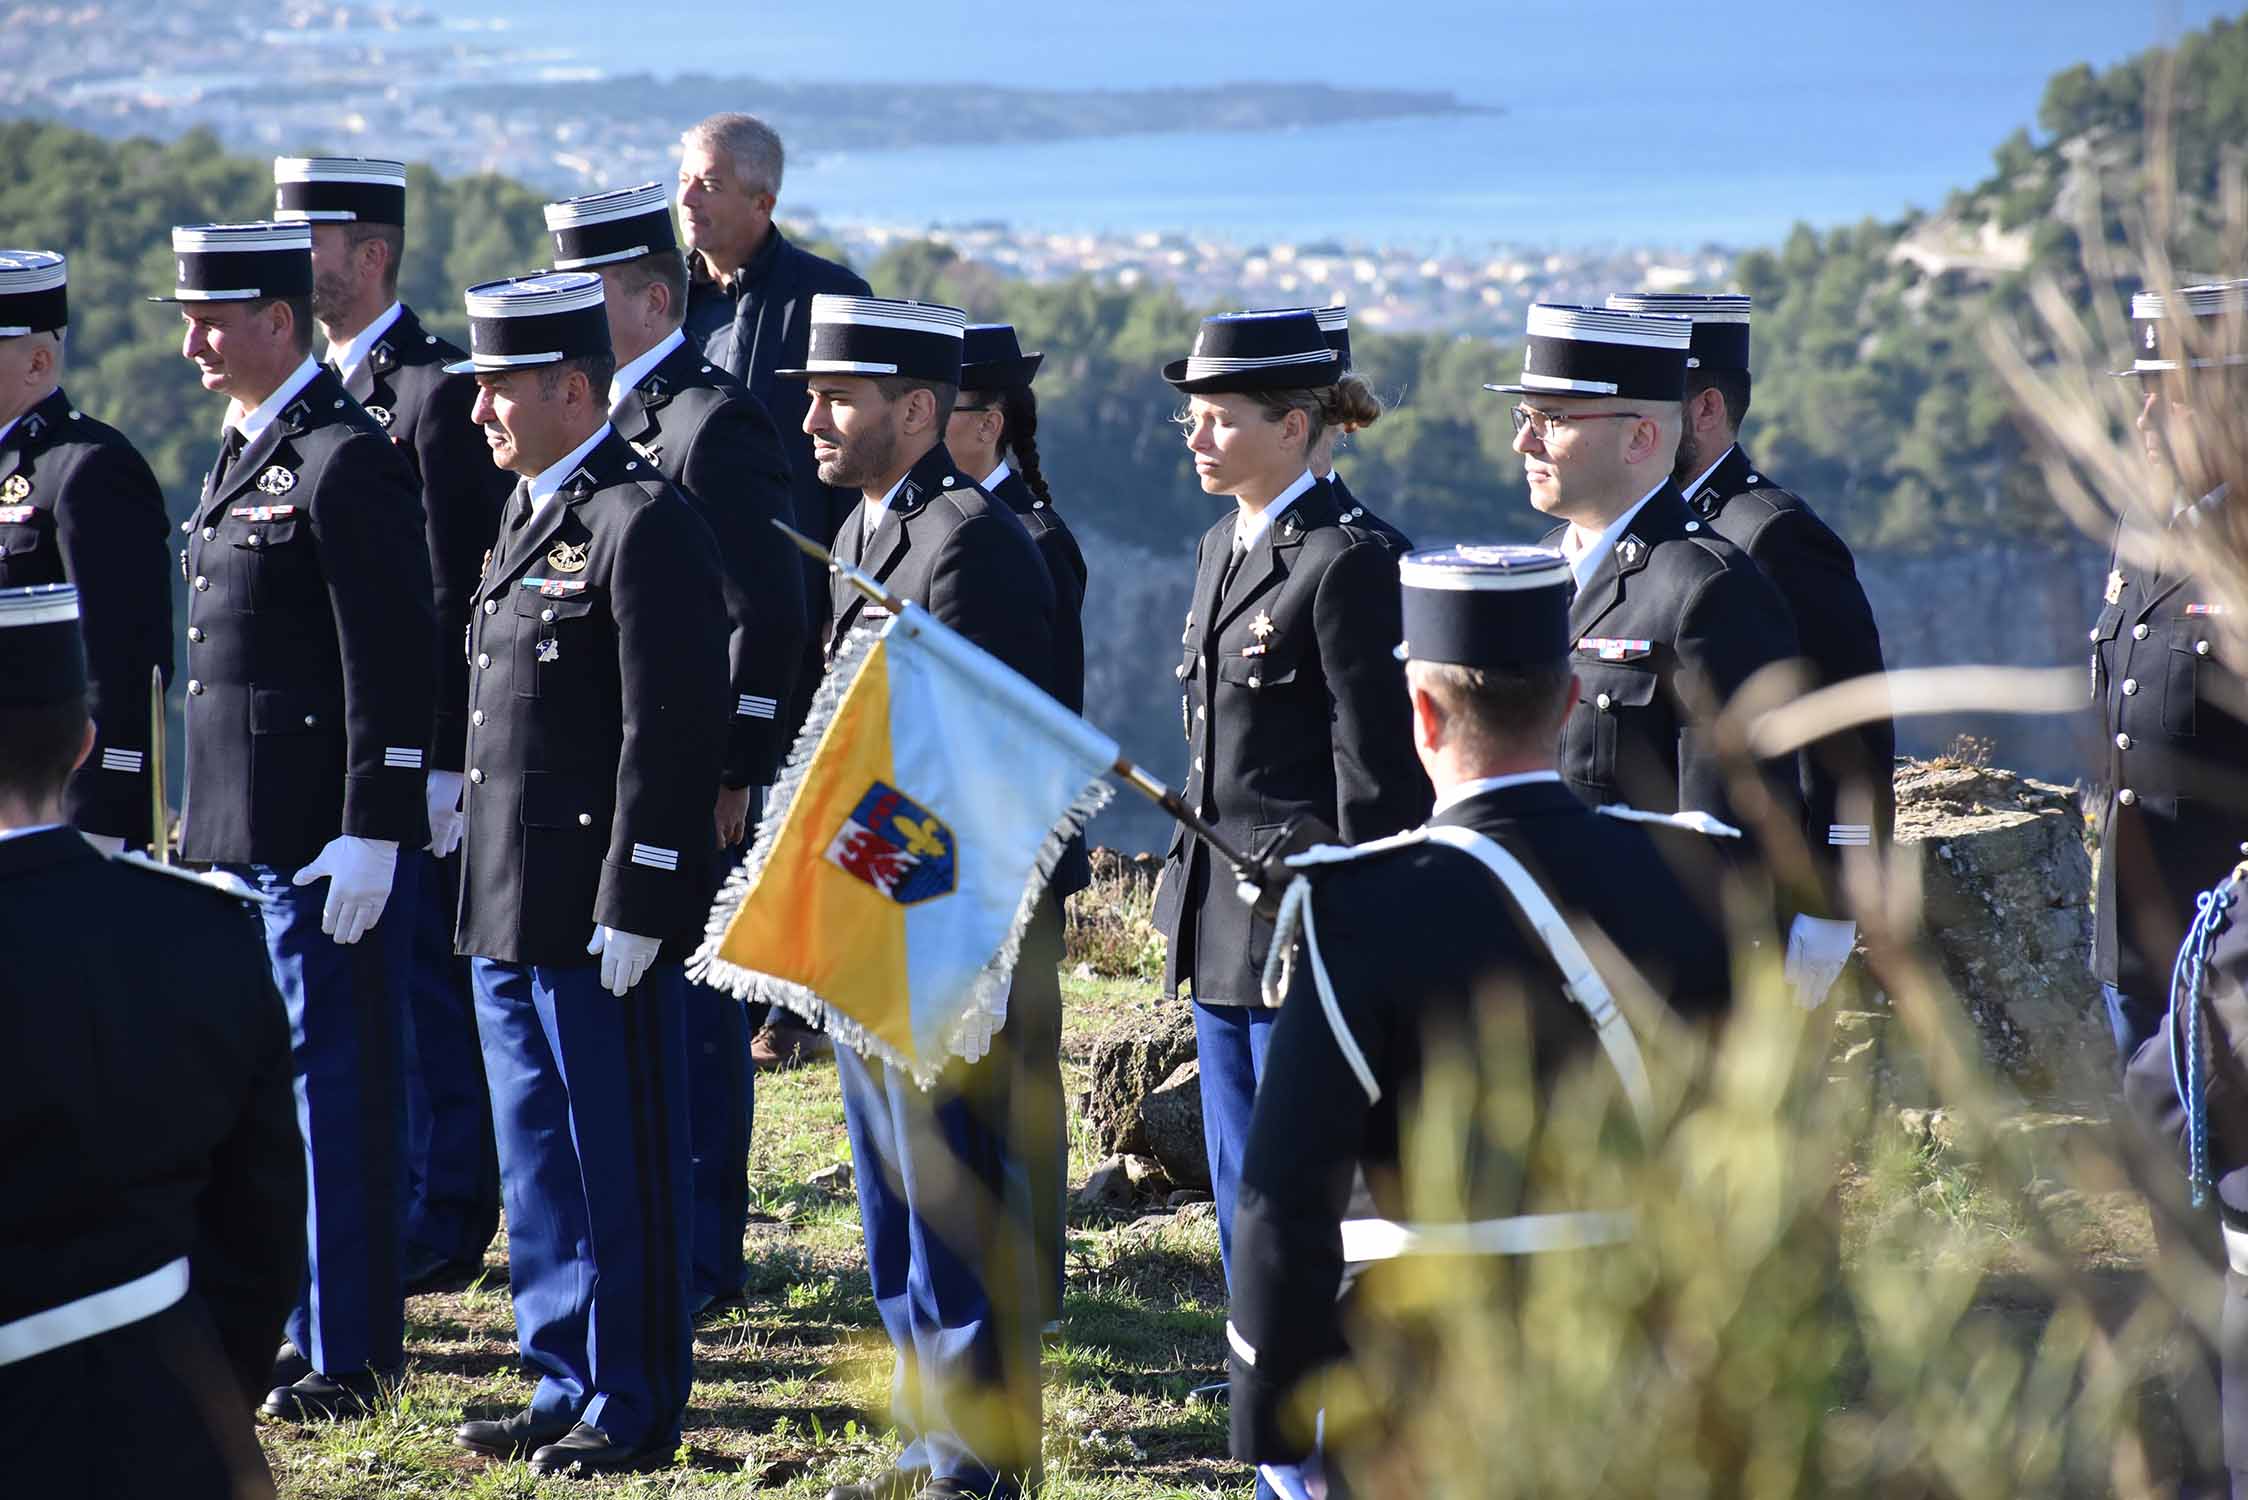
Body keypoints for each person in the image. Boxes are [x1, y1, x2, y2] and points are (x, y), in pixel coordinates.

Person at [1226, 546, 1734, 1491]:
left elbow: (1283, 1198)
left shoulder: (1359, 907)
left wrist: (1269, 1409)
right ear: (1571, 699)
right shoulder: (1694, 876)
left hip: (1412, 1372)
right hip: (1636, 1359)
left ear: (1420, 714)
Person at [443, 271, 729, 1476]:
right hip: (508, 903)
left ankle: (632, 1399)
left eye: (500, 391)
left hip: (594, 910)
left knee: (617, 1161)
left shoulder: (639, 517)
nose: (479, 416)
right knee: (540, 1160)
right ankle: (561, 1373)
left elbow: (669, 726)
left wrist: (642, 892)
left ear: (572, 389)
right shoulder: (531, 510)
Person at [157, 219, 438, 1421]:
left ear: (281, 319)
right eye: (187, 315)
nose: (192, 341)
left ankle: (356, 1351)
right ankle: (299, 1322)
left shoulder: (343, 455)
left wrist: (374, 823)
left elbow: (392, 656)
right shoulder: (245, 449)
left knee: (337, 1100)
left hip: (316, 842)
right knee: (264, 1104)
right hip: (237, 836)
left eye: (214, 318)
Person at [782, 293, 1059, 1500]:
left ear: (914, 408)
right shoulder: (874, 531)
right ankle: (925, 1435)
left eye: (835, 397)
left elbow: (995, 762)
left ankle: (978, 1462)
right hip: (875, 917)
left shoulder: (967, 541)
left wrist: (986, 956)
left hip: (941, 933)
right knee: (894, 1201)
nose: (809, 418)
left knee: (953, 1201)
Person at [544, 179, 809, 1317]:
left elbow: (769, 613)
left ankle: (704, 1257)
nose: (559, 312)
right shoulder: (594, 423)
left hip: (692, 777)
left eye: (582, 292)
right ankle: (643, 1242)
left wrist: (736, 769)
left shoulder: (709, 422)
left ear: (653, 300)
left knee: (698, 1028)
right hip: (605, 773)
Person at [0, 583, 304, 1499]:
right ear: (86, 744)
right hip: (153, 1425)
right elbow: (261, 1234)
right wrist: (210, 1395)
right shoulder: (204, 933)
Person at [1151, 307, 1430, 1288]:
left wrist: (1364, 935)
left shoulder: (1349, 558)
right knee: (1242, 1195)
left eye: (1220, 416)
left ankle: (1324, 1412)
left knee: (1312, 1192)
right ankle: (1263, 1393)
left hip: (1306, 929)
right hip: (1221, 924)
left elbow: (1380, 779)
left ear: (1295, 425)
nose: (1197, 436)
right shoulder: (1218, 547)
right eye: (1191, 416)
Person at [278, 153, 510, 1295]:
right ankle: (409, 1194)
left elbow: (460, 586)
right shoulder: (320, 395)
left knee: (429, 983)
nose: (292, 258)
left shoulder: (433, 391)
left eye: (310, 241)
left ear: (371, 254)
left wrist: (446, 756)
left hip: (423, 751)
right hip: (346, 745)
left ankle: (449, 1207)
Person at [1606, 290, 1891, 1004]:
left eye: (1651, 401)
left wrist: (1830, 909)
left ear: (1704, 410)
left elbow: (1847, 727)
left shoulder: (1769, 535)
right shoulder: (1630, 533)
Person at [677, 110, 872, 1067]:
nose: (688, 196)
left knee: (802, 792)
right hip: (682, 600)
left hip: (802, 595)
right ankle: (717, 971)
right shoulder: (660, 302)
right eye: (684, 176)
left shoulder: (829, 299)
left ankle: (799, 1003)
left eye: (709, 182)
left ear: (763, 199)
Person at [945, 319, 1085, 1326]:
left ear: (986, 424)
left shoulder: (1028, 534)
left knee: (1020, 1064)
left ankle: (1029, 1280)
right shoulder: (952, 525)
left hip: (1019, 839)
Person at [2092, 279, 2248, 1067]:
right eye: (2143, 394)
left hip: (2229, 957)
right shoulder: (2141, 524)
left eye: (2172, 400)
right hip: (2132, 944)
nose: (2146, 420)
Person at [0, 251, 172, 855]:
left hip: (53, 817)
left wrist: (101, 817)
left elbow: (123, 664)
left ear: (38, 361)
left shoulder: (89, 467)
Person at [1297, 304, 1411, 556]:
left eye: (1225, 421)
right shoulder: (1220, 539)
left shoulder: (1368, 552)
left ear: (1293, 426)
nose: (1196, 441)